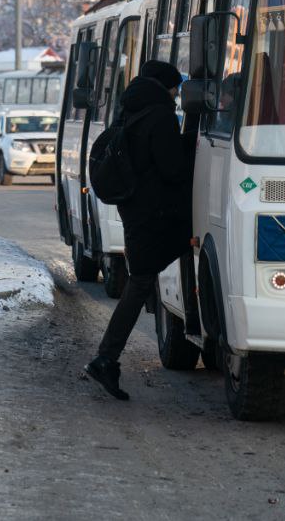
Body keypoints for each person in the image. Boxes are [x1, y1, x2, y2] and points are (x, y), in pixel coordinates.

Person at [85, 60, 196, 401]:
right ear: (166, 86)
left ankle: (109, 357)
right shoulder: (159, 116)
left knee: (144, 277)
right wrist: (190, 142)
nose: (178, 95)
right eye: (176, 88)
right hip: (154, 215)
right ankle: (105, 358)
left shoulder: (129, 111)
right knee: (141, 282)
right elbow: (173, 169)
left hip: (135, 211)